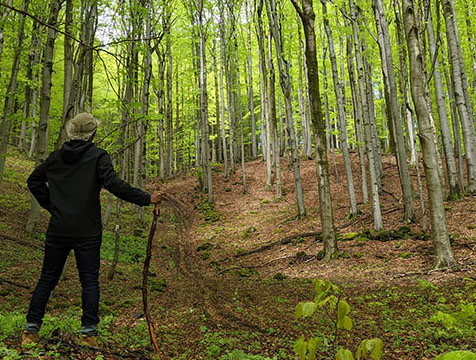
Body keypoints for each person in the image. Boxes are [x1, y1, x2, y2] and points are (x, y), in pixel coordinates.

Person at [22, 113, 162, 348]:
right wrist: (147, 198)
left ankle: (30, 332)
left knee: (47, 279)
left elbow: (33, 180)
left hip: (59, 228)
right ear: (92, 133)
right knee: (89, 281)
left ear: (71, 132)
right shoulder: (98, 156)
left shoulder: (56, 158)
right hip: (87, 230)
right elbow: (114, 184)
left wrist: (53, 207)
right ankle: (89, 335)